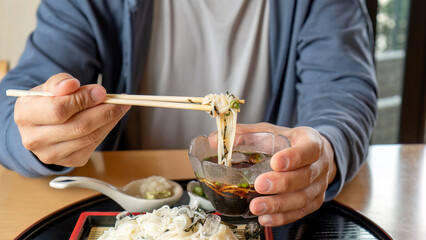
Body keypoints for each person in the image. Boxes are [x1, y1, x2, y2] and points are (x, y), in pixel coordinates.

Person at [0, 0, 377, 227]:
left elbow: (343, 93)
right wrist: (36, 134)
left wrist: (324, 154)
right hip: (130, 201)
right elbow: (16, 100)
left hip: (264, 209)